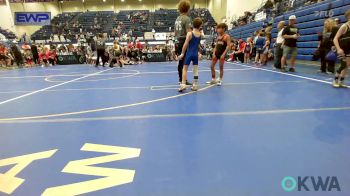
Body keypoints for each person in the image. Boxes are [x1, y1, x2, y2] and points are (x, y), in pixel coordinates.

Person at [178, 17, 203, 92]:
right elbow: (198, 45)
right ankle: (195, 85)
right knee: (195, 69)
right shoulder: (200, 34)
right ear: (200, 25)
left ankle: (183, 85)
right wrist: (199, 53)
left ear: (192, 24)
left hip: (189, 54)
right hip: (195, 54)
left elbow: (185, 44)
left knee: (184, 69)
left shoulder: (190, 33)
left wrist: (182, 53)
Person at [175, 0, 192, 85]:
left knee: (180, 61)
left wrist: (176, 42)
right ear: (187, 8)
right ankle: (183, 80)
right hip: (183, 41)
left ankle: (180, 79)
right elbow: (189, 33)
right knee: (184, 62)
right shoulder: (187, 19)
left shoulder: (177, 18)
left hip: (177, 41)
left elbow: (175, 33)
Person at [333, 10, 350, 88]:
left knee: (347, 65)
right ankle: (335, 80)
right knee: (343, 65)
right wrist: (339, 49)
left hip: (349, 49)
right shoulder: (345, 26)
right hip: (341, 49)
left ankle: (341, 82)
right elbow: (335, 38)